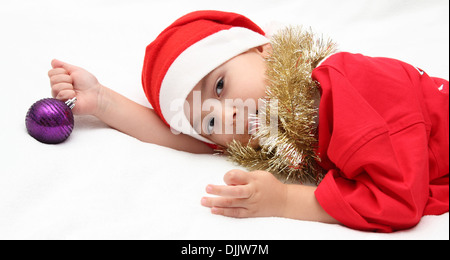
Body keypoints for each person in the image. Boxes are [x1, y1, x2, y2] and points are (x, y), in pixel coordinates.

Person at [48, 10, 449, 232]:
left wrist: (287, 200)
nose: (229, 113)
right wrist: (102, 101)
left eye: (220, 86)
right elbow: (182, 136)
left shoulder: (351, 100)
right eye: (208, 121)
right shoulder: (283, 121)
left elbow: (400, 201)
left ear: (267, 51)